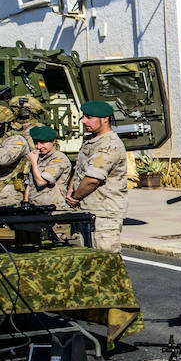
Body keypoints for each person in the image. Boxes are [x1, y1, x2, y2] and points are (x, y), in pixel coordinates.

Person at [67, 100, 129, 251]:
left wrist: (75, 197)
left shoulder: (109, 144)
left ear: (105, 119)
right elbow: (79, 169)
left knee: (106, 259)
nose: (83, 121)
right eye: (83, 117)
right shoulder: (91, 140)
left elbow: (93, 180)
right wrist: (71, 191)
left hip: (104, 212)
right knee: (89, 261)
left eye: (89, 117)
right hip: (88, 209)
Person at [25, 125, 73, 239]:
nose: (39, 146)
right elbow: (29, 184)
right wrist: (25, 204)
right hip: (37, 212)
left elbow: (41, 181)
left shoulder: (58, 159)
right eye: (36, 143)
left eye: (43, 143)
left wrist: (34, 163)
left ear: (53, 141)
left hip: (55, 213)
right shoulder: (39, 158)